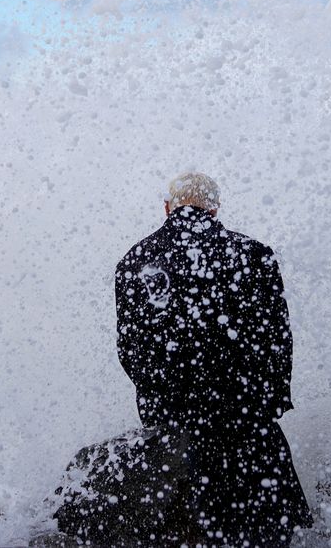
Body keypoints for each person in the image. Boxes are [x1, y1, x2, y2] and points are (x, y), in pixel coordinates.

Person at [115, 173, 313, 546]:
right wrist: (272, 402)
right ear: (215, 209)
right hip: (246, 418)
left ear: (168, 208)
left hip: (174, 426)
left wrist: (160, 407)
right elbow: (277, 340)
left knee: (191, 531)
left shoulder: (134, 261)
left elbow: (131, 350)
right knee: (270, 530)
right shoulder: (254, 254)